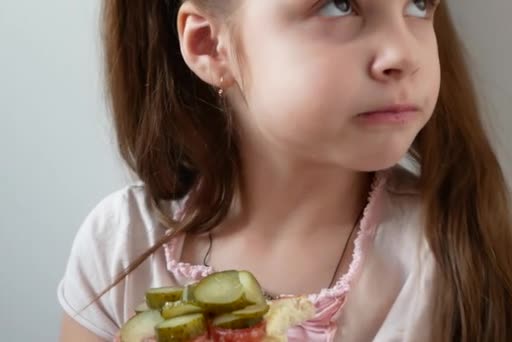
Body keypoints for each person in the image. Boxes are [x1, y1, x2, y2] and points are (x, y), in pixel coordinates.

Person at [58, 1, 512, 341]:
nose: (402, 53)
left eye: (418, 2)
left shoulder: (454, 251)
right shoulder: (119, 246)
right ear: (210, 46)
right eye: (338, 4)